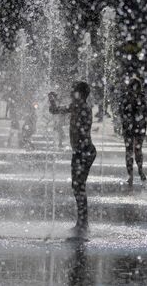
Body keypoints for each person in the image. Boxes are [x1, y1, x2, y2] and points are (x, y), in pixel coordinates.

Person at [49, 82, 96, 237]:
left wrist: (54, 102)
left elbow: (56, 110)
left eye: (73, 91)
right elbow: (54, 110)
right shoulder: (77, 106)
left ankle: (83, 224)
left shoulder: (81, 107)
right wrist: (52, 101)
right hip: (80, 152)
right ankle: (82, 223)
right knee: (77, 187)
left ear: (80, 94)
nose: (70, 93)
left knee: (79, 187)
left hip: (84, 152)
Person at [119, 77, 147, 186]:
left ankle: (139, 171)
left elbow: (145, 112)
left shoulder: (142, 97)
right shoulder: (125, 97)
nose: (134, 90)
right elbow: (121, 112)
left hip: (138, 126)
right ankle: (131, 174)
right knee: (130, 151)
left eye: (136, 88)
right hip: (130, 127)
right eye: (132, 87)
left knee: (136, 150)